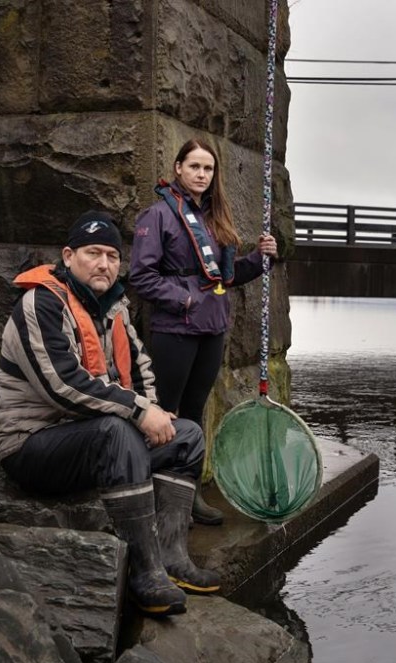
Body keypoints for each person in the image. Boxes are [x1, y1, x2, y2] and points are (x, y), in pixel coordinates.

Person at [0, 210, 220, 617]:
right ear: (68, 255)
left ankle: (172, 557)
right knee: (117, 430)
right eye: (93, 253)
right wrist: (138, 412)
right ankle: (144, 573)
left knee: (185, 435)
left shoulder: (115, 307)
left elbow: (140, 367)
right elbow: (62, 385)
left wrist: (155, 412)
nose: (104, 264)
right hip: (33, 445)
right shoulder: (40, 304)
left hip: (96, 435)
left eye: (113, 256)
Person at [129, 138, 278, 525]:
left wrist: (260, 260)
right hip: (175, 329)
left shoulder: (215, 219)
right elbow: (141, 277)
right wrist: (184, 300)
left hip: (212, 328)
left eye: (208, 169)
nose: (201, 174)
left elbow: (224, 278)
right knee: (164, 415)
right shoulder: (158, 216)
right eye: (194, 166)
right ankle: (148, 498)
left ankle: (187, 497)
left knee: (194, 414)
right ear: (177, 168)